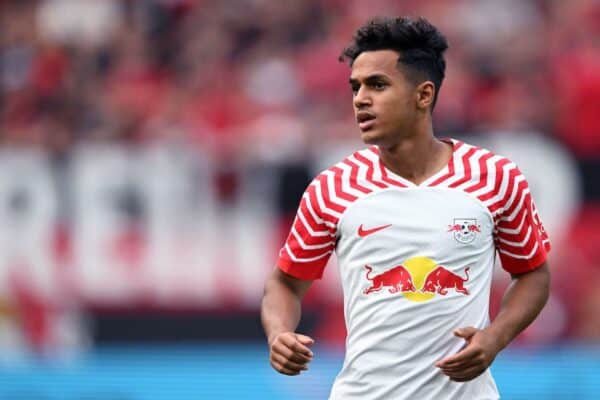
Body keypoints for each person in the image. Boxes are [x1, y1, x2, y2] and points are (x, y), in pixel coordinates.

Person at [260, 16, 550, 399]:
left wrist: (494, 338)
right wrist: (280, 333)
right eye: (356, 87)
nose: (361, 98)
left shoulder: (494, 177)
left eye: (377, 85)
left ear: (423, 95)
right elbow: (285, 283)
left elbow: (533, 273)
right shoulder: (333, 188)